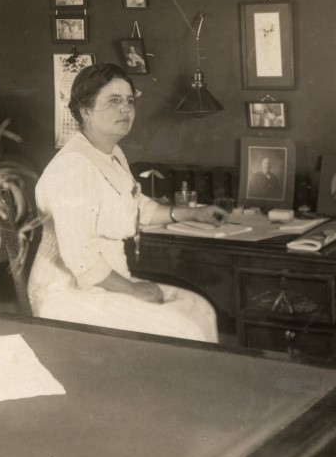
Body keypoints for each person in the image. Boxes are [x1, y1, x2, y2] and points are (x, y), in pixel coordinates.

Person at [29, 63, 223, 343]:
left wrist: (196, 213)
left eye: (130, 101)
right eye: (114, 101)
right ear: (85, 111)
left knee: (199, 309)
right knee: (182, 329)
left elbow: (138, 207)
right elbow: (78, 256)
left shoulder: (111, 153)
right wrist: (132, 290)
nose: (126, 109)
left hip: (108, 282)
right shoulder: (72, 167)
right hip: (68, 293)